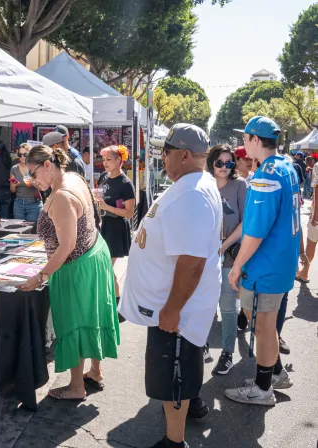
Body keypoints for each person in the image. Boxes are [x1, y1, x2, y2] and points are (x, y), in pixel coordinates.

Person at [120, 124, 222, 448]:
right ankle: (191, 407)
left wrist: (173, 309)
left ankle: (174, 441)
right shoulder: (191, 184)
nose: (162, 157)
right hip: (176, 303)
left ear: (186, 155)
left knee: (173, 371)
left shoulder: (191, 193)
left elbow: (192, 261)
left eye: (166, 151)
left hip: (179, 309)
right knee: (182, 365)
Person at [19, 145, 119, 399]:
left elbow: (67, 246)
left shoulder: (62, 195)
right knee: (92, 315)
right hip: (93, 253)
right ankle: (95, 372)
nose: (30, 180)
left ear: (47, 166)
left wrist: (40, 276)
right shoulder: (73, 176)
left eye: (32, 173)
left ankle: (76, 387)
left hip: (76, 266)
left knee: (75, 322)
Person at [225, 116, 298, 406]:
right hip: (280, 261)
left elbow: (256, 231)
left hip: (266, 264)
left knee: (263, 325)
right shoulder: (285, 166)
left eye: (245, 138)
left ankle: (263, 388)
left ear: (256, 140)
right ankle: (275, 373)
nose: (242, 143)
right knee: (264, 323)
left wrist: (238, 266)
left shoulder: (266, 174)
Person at [205, 144, 248, 376]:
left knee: (228, 306)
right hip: (204, 256)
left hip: (230, 255)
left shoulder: (240, 185)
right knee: (203, 303)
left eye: (229, 163)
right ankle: (202, 346)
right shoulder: (204, 184)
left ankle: (228, 353)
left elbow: (246, 222)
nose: (224, 167)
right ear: (212, 162)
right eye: (220, 162)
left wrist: (223, 247)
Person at [97, 145, 135, 317]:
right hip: (102, 225)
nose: (105, 163)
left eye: (109, 159)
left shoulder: (125, 184)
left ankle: (118, 307)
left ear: (119, 160)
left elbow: (129, 213)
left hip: (115, 228)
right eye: (104, 159)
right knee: (103, 266)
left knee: (106, 266)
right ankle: (111, 303)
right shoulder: (104, 177)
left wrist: (106, 207)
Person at [10, 143, 42, 222]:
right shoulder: (14, 169)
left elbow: (42, 188)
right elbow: (12, 190)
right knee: (19, 229)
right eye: (20, 155)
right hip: (19, 204)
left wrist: (33, 183)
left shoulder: (35, 167)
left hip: (34, 203)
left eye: (25, 154)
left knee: (32, 230)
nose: (22, 157)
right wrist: (14, 185)